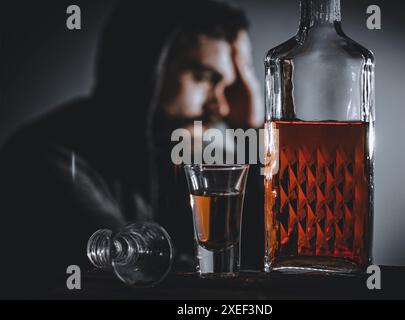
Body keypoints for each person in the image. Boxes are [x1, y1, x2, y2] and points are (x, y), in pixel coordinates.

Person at [0, 0, 264, 296]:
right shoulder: (48, 158)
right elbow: (138, 272)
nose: (221, 105)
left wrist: (250, 127)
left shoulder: (176, 159)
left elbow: (262, 253)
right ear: (144, 68)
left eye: (226, 85)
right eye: (203, 77)